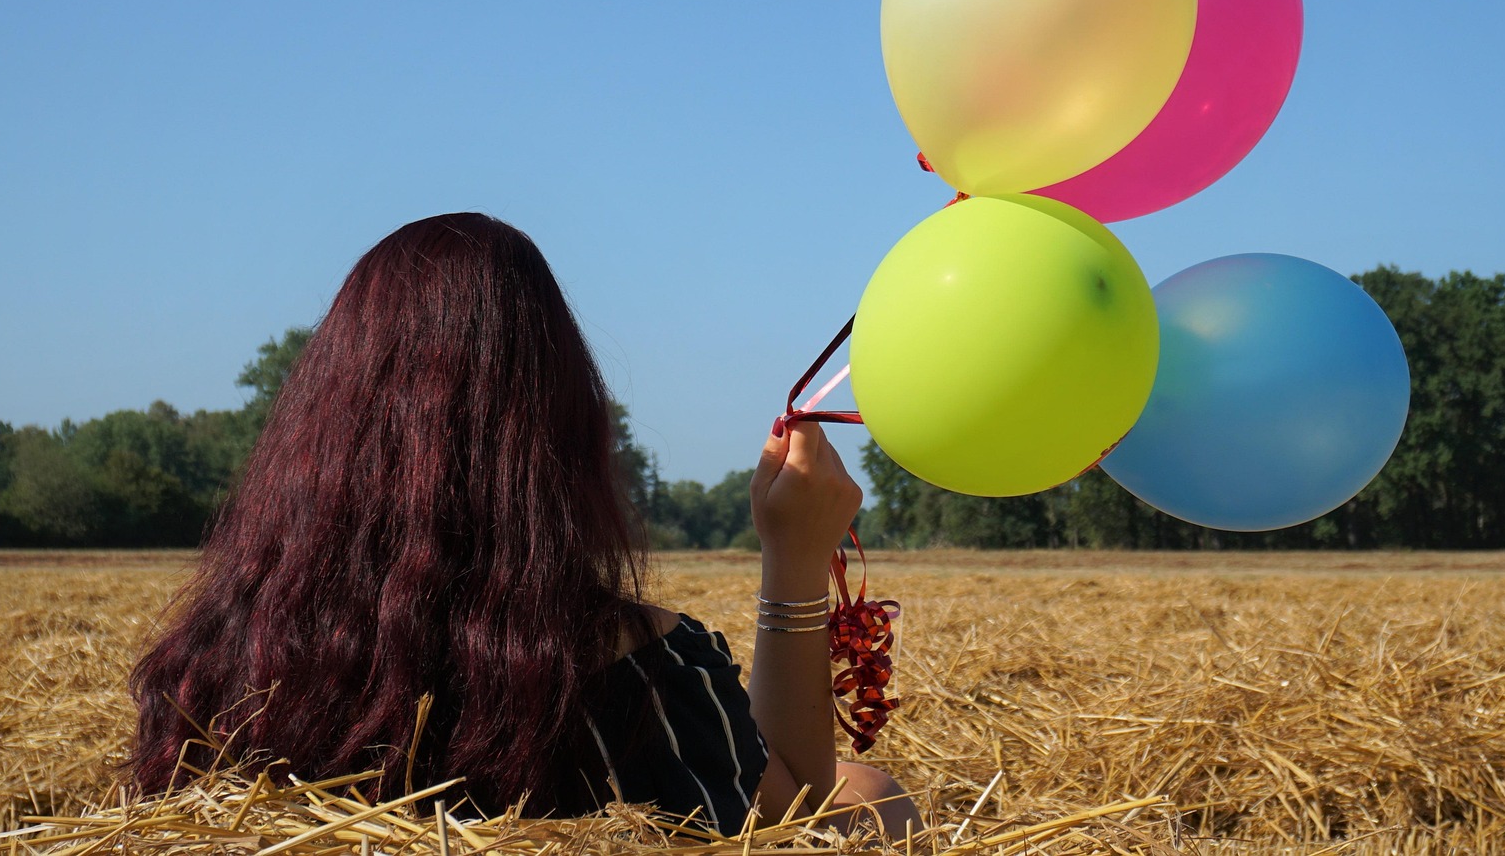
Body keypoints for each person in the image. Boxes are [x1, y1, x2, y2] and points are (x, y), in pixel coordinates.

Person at [128, 212, 920, 836]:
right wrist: (794, 554)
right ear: (558, 432)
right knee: (872, 799)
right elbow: (793, 813)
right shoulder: (643, 674)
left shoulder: (226, 664)